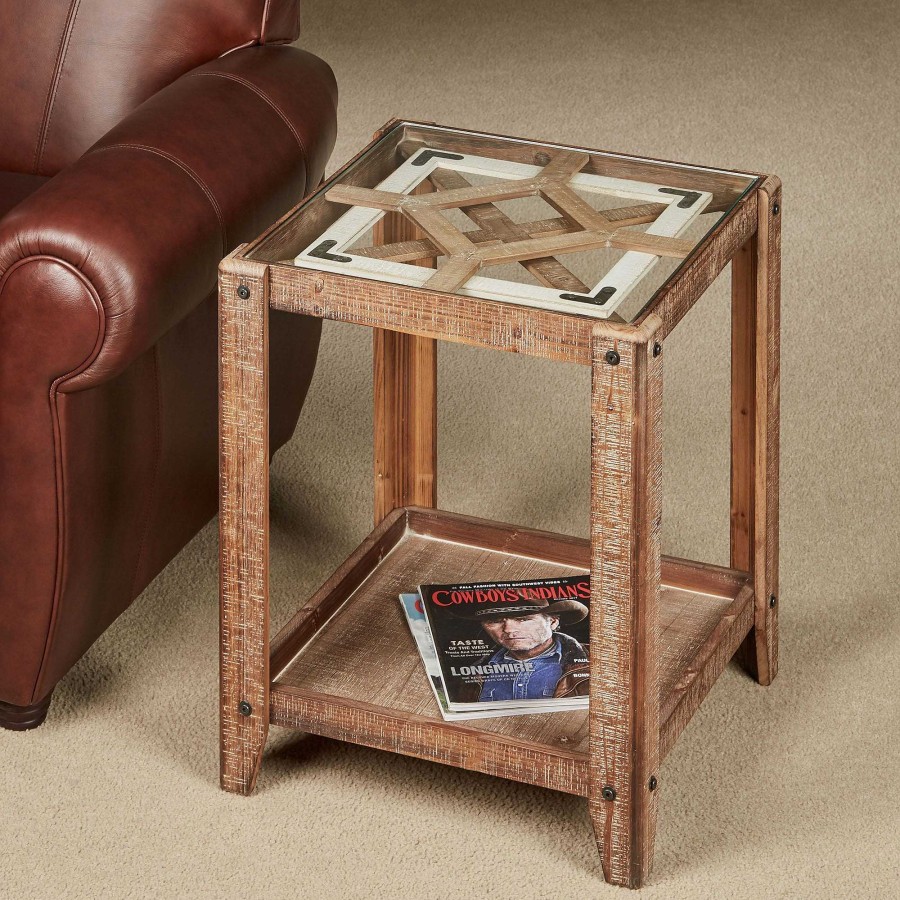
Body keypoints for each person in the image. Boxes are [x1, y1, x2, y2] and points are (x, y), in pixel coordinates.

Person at [452, 594, 589, 702]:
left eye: (523, 619)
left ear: (553, 622)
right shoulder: (472, 672)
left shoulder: (596, 661)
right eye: (495, 621)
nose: (509, 630)